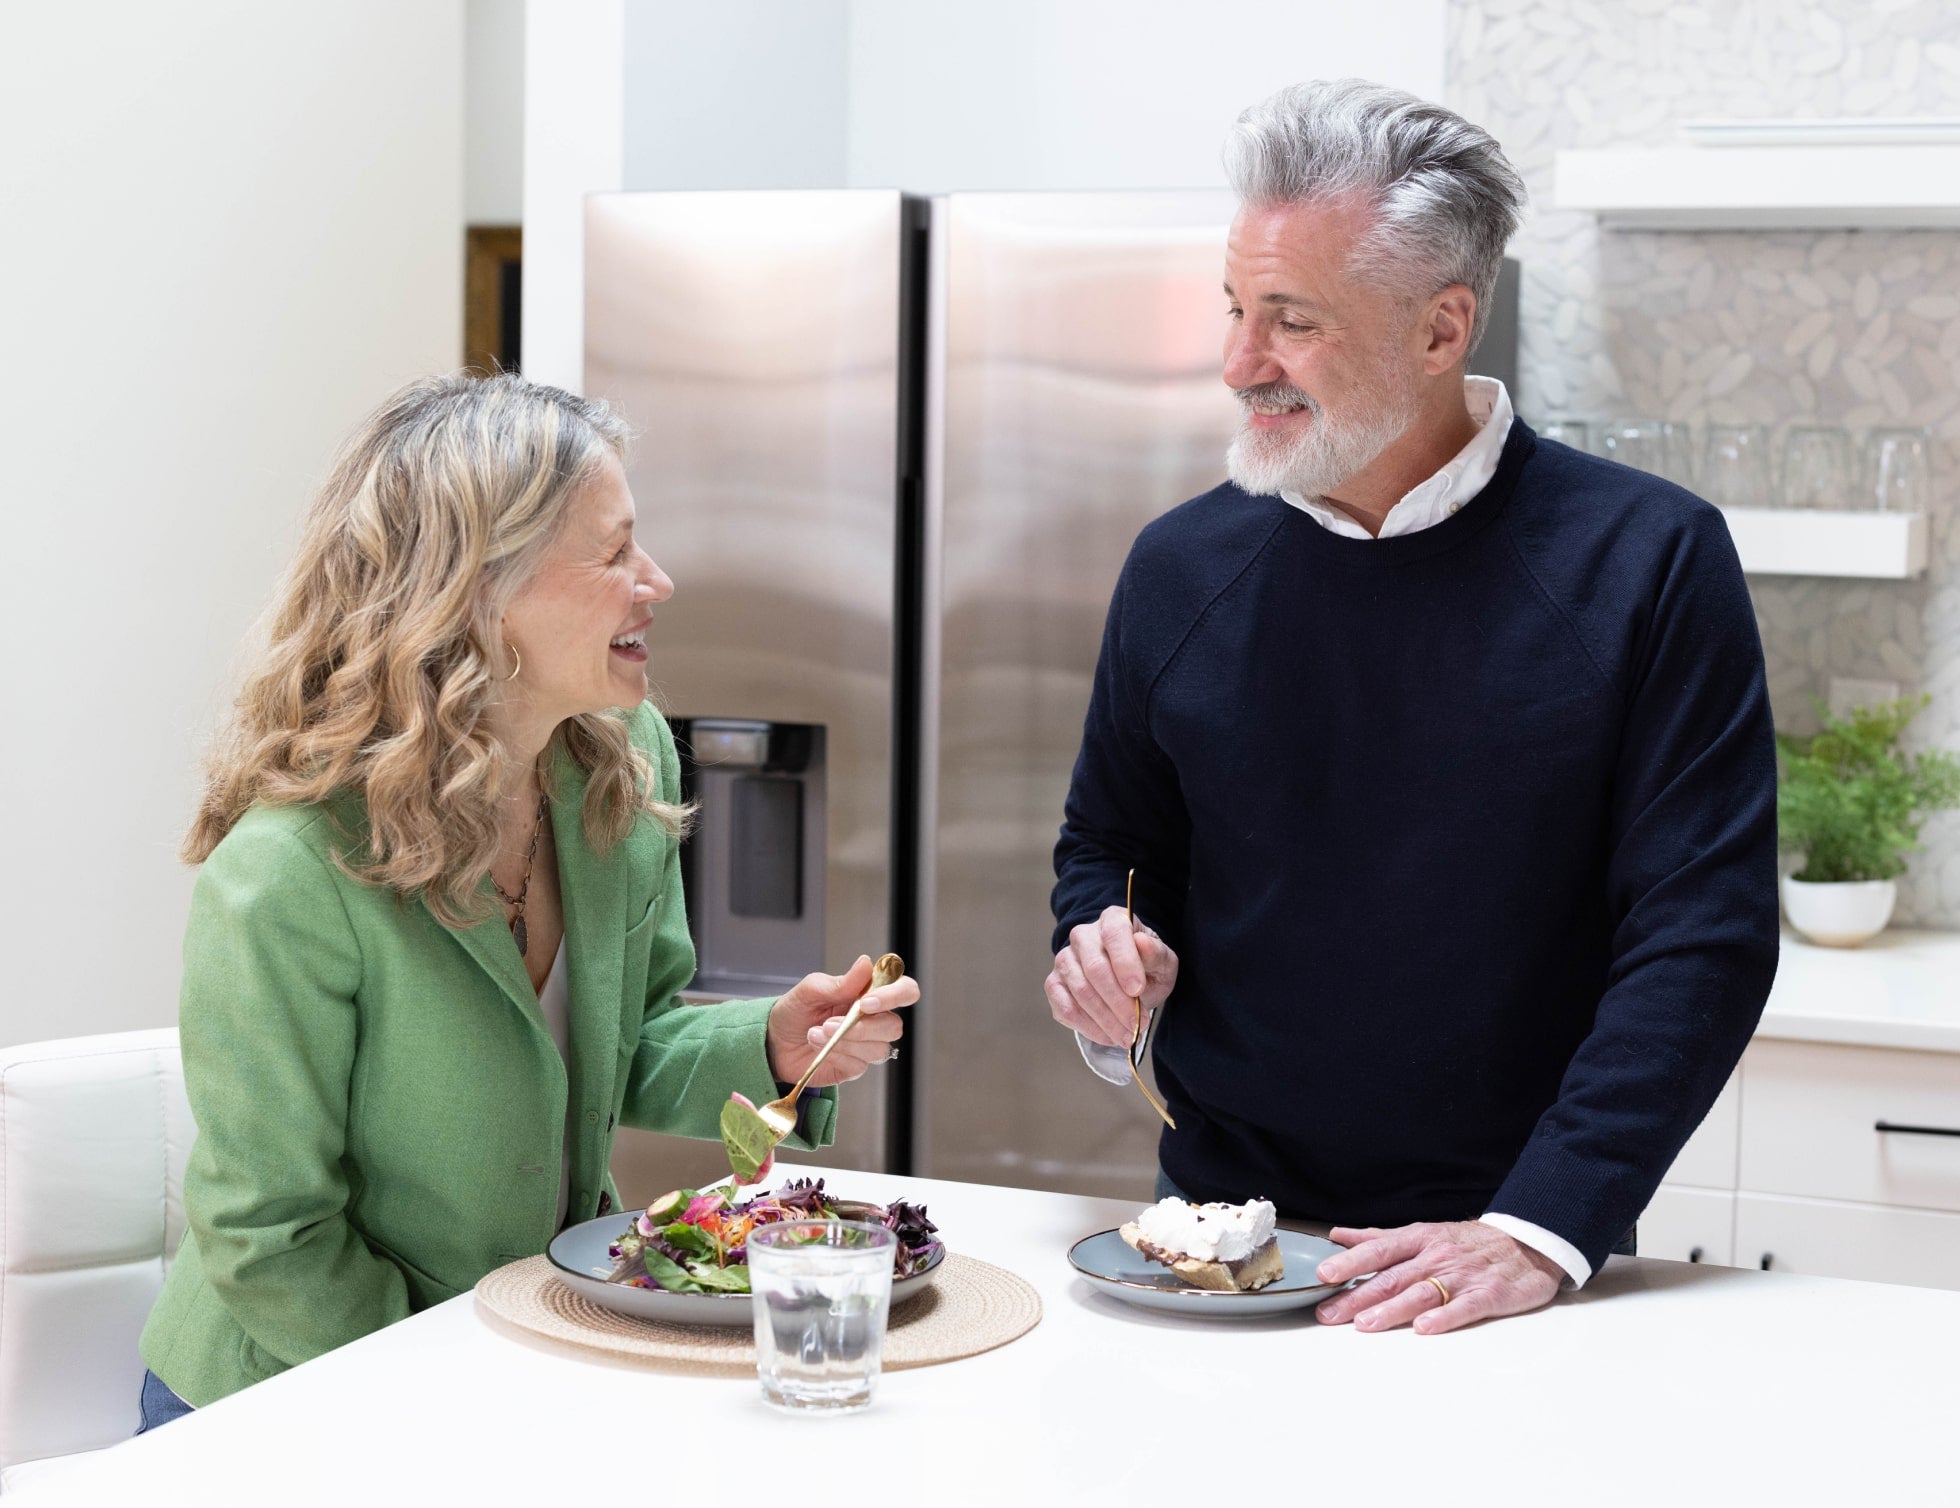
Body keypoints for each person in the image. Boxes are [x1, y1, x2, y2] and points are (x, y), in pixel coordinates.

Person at [1046, 79, 1778, 1335]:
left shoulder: (1648, 559)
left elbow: (1699, 934)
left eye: (1291, 321)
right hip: (1220, 1245)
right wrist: (1105, 952)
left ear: (1442, 331)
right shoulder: (1178, 566)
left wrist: (1543, 1226)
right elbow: (1112, 848)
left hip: (1504, 1256)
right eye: (1235, 308)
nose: (1237, 364)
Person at [137, 374, 914, 1425]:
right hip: (289, 1404)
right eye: (614, 552)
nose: (659, 581)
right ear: (477, 591)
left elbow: (618, 1048)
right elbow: (269, 1237)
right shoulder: (288, 874)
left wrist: (772, 1045)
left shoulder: (618, 766)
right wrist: (462, 1393)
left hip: (512, 1363)